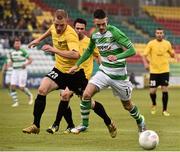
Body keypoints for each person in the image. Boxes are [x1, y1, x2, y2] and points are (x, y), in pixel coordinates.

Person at [22, 10, 113, 136]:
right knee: (43, 89)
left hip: (75, 74)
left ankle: (108, 122)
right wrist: (38, 39)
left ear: (67, 22)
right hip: (59, 70)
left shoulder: (70, 35)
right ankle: (36, 125)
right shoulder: (54, 26)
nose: (58, 28)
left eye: (61, 25)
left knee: (88, 102)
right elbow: (50, 31)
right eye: (57, 24)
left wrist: (54, 50)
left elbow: (76, 55)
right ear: (54, 20)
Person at [69, 9, 146, 136]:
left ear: (107, 20)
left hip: (119, 76)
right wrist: (77, 65)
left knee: (127, 105)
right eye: (98, 25)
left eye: (103, 24)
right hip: (104, 71)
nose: (101, 27)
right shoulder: (95, 35)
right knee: (86, 95)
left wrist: (118, 56)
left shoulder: (114, 32)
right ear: (94, 22)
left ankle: (140, 120)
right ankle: (84, 124)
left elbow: (132, 50)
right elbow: (89, 51)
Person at [142, 28, 175, 116]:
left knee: (165, 90)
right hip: (154, 71)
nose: (159, 34)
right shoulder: (151, 43)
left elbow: (171, 53)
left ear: (163, 34)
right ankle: (154, 104)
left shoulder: (167, 43)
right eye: (158, 33)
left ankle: (164, 110)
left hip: (165, 70)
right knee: (152, 91)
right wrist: (146, 63)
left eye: (161, 33)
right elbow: (144, 55)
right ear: (155, 34)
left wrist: (172, 54)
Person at [9, 38, 33, 107]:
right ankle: (16, 102)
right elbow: (11, 61)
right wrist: (9, 65)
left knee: (21, 87)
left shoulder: (23, 51)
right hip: (14, 70)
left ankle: (30, 96)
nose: (17, 45)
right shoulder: (12, 53)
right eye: (16, 43)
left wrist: (25, 64)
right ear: (14, 44)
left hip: (22, 71)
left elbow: (30, 60)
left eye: (19, 43)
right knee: (12, 86)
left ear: (20, 44)